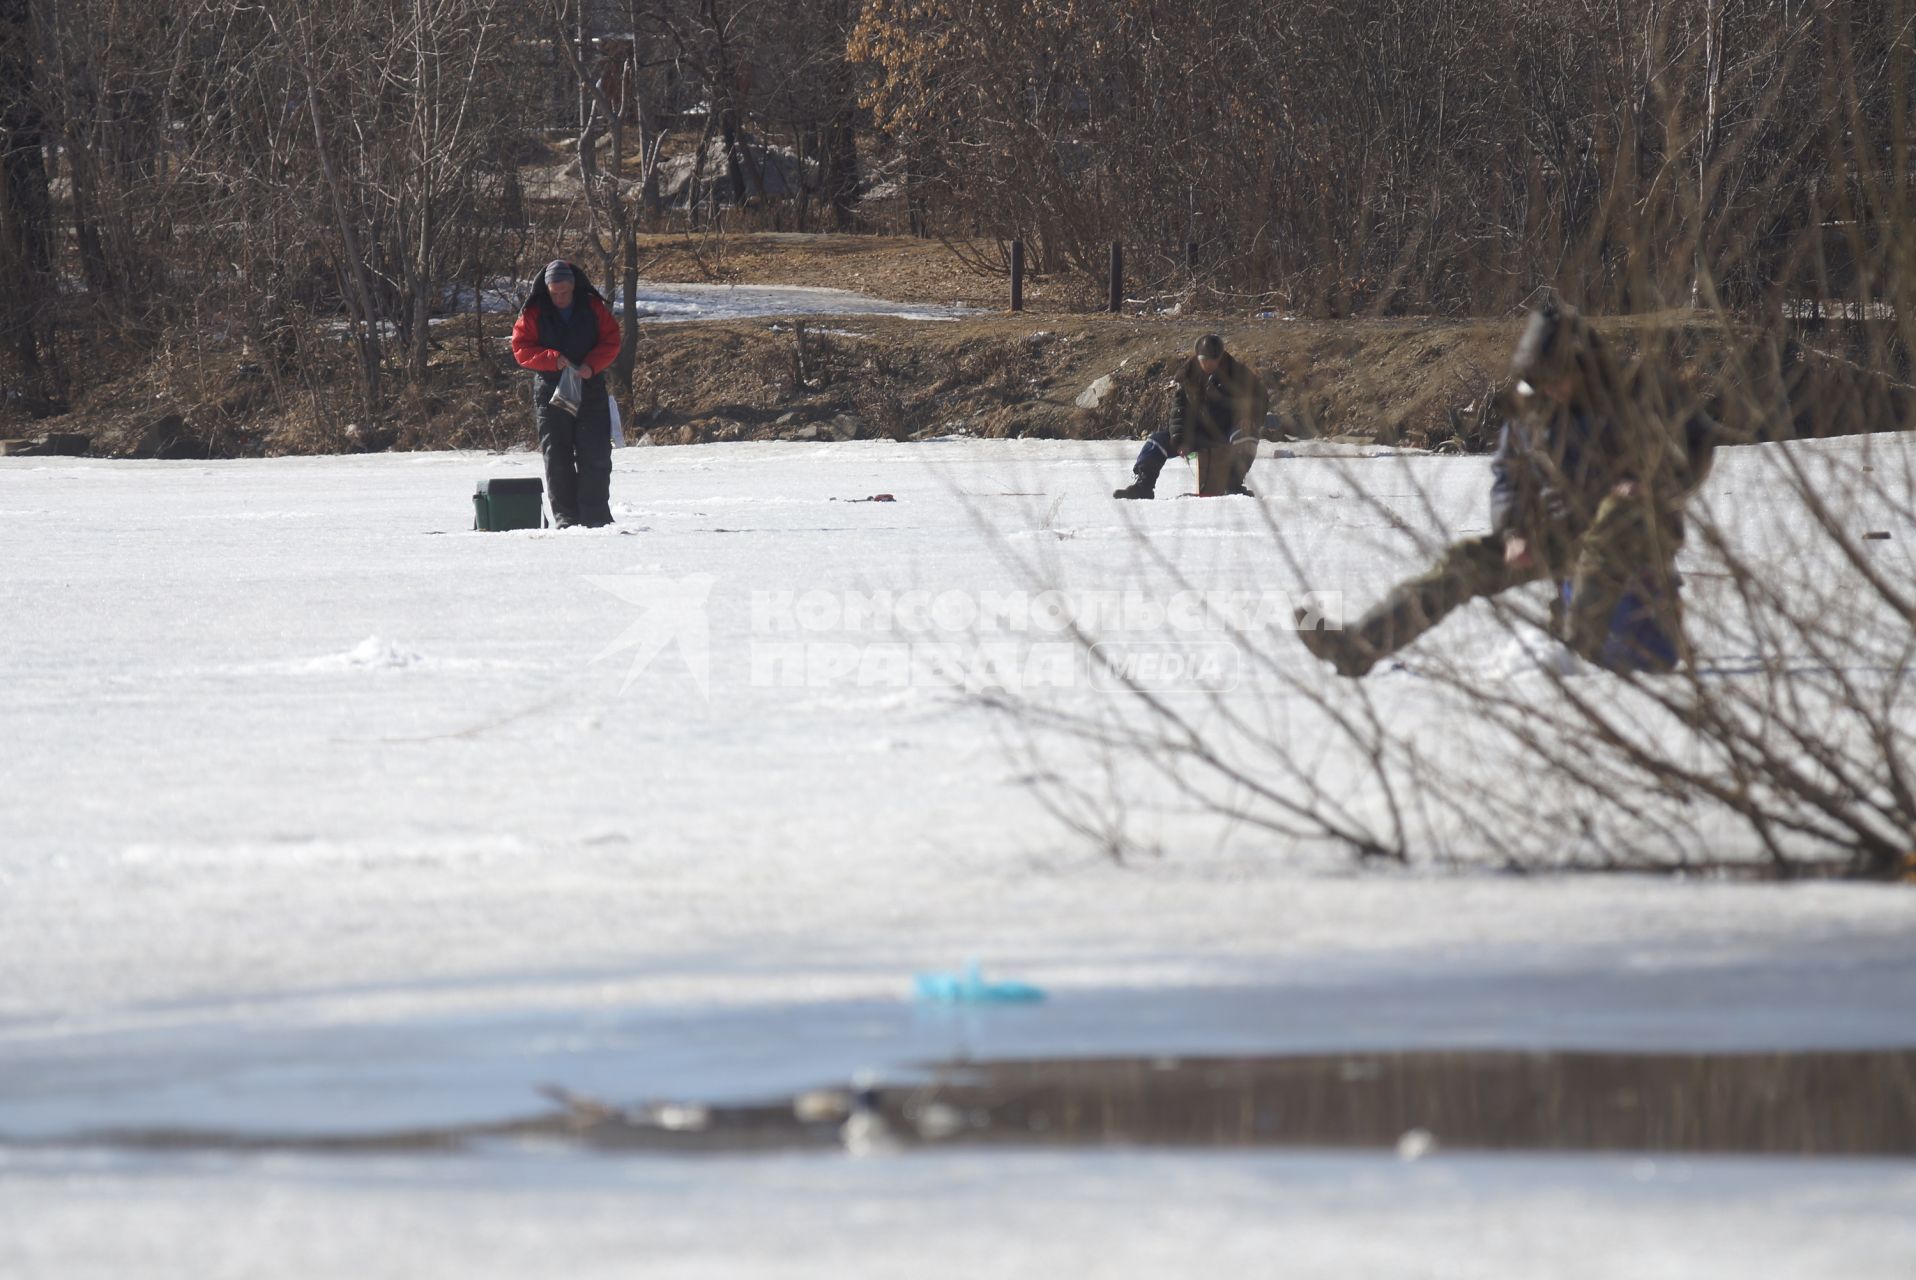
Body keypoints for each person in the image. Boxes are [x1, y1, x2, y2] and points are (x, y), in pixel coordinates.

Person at [1296, 300, 1716, 677]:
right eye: (1539, 379)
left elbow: (1697, 441)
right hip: (1561, 531)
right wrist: (1515, 531)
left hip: (1637, 530)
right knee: (1463, 564)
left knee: (1610, 523)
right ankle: (1359, 647)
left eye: (1556, 377)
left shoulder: (1638, 390)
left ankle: (1578, 650)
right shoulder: (1532, 409)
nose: (1549, 388)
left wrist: (1653, 484)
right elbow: (1508, 476)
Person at [510, 259, 623, 528]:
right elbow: (521, 348)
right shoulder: (534, 312)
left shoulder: (593, 307)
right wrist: (552, 359)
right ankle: (566, 518)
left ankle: (596, 517)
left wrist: (590, 365)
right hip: (551, 391)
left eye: (564, 293)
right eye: (554, 293)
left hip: (590, 388)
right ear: (547, 289)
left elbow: (612, 340)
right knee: (557, 457)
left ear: (574, 287)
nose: (559, 298)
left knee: (595, 455)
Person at [1114, 334, 1268, 499]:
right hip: (1197, 432)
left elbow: (1261, 399)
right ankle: (1143, 485)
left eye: (1213, 360)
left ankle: (1233, 484)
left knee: (1247, 437)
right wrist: (1180, 440)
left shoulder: (1238, 373)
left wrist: (1249, 417)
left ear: (1221, 357)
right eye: (1205, 360)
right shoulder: (1188, 376)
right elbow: (1179, 411)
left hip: (1227, 429)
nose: (1209, 364)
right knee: (1156, 441)